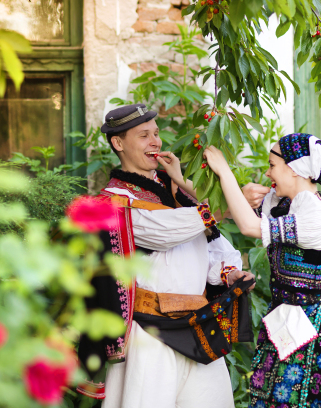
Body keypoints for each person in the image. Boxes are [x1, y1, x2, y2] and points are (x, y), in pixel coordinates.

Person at [75, 104, 256, 408]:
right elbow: (165, 232)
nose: (155, 142)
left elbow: (214, 247)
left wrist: (229, 273)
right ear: (118, 143)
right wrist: (227, 205)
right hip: (150, 333)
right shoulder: (113, 203)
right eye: (144, 135)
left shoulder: (178, 194)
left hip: (197, 326)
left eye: (156, 134)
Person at [203, 134, 321, 408]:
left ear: (293, 168)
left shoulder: (318, 219)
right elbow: (223, 210)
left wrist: (225, 171)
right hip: (284, 324)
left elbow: (249, 227)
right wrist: (176, 178)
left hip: (315, 328)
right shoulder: (283, 206)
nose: (267, 172)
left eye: (272, 165)